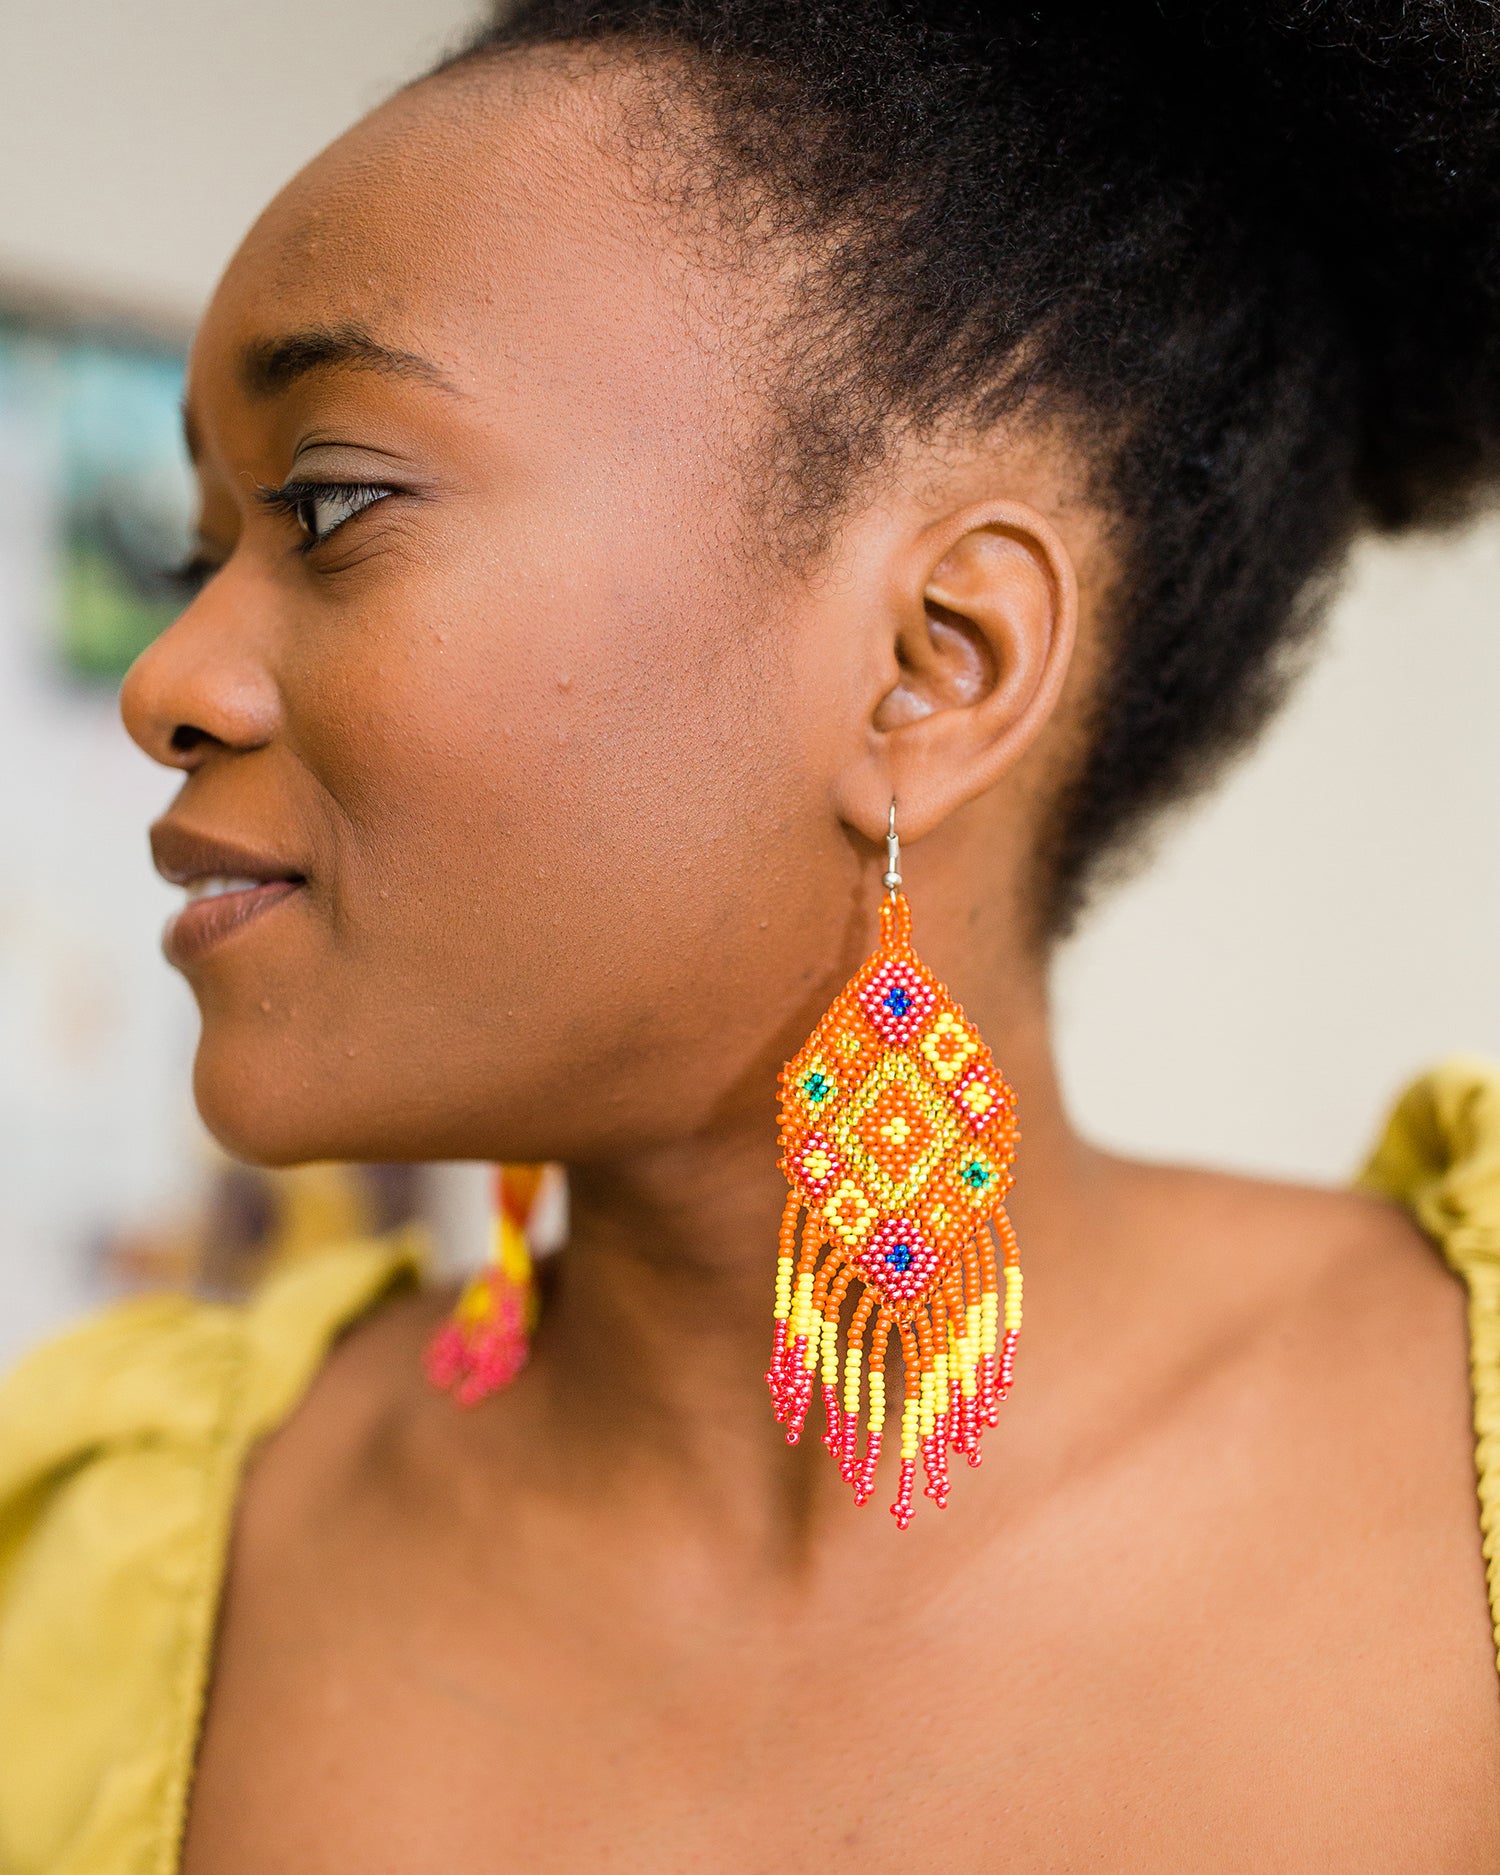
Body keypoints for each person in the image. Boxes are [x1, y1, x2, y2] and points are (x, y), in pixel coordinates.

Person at [2, 2, 1498, 1867]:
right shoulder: (90, 1566)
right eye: (193, 552)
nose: (166, 681)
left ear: (934, 667)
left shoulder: (1467, 1469)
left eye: (329, 505)